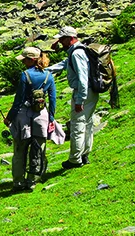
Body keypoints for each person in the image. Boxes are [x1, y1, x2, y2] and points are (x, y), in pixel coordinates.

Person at [4, 47, 57, 192]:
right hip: (41, 116)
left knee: (20, 150)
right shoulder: (48, 75)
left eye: (25, 60)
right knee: (39, 149)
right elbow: (52, 99)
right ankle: (32, 181)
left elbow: (18, 100)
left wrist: (9, 118)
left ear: (32, 60)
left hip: (23, 116)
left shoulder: (25, 75)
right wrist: (51, 118)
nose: (23, 63)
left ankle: (18, 183)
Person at [47, 26, 98, 169]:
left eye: (62, 39)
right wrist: (44, 70)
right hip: (91, 91)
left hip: (83, 92)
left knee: (77, 125)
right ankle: (84, 154)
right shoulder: (78, 50)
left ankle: (75, 159)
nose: (60, 42)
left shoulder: (76, 54)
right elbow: (64, 64)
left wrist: (80, 100)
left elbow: (83, 78)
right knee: (87, 123)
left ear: (70, 38)